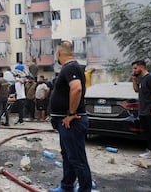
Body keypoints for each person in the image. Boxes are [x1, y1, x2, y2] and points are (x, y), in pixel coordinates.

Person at [49, 40, 92, 192]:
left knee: (77, 159)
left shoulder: (70, 67)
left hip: (71, 122)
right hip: (65, 122)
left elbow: (77, 89)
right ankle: (67, 187)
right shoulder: (73, 67)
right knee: (68, 157)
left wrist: (71, 114)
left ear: (59, 53)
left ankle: (84, 189)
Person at [132, 59, 151, 165]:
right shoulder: (142, 79)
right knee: (147, 133)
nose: (134, 70)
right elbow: (136, 90)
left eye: (135, 68)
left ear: (142, 67)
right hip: (143, 111)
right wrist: (134, 79)